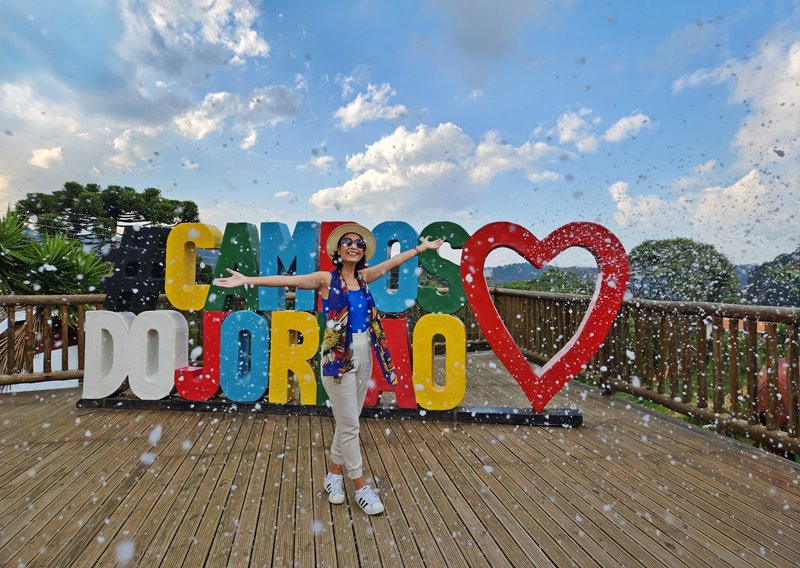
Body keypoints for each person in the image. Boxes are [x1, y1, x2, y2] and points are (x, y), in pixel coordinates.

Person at [214, 223, 443, 515]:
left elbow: (392, 262)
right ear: (337, 249)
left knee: (348, 419)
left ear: (362, 252)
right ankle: (361, 487)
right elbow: (290, 281)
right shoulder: (325, 279)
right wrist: (248, 279)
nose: (353, 246)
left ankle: (333, 476)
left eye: (359, 244)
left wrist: (421, 249)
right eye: (347, 241)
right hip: (337, 358)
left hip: (364, 352)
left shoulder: (364, 277)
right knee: (350, 424)